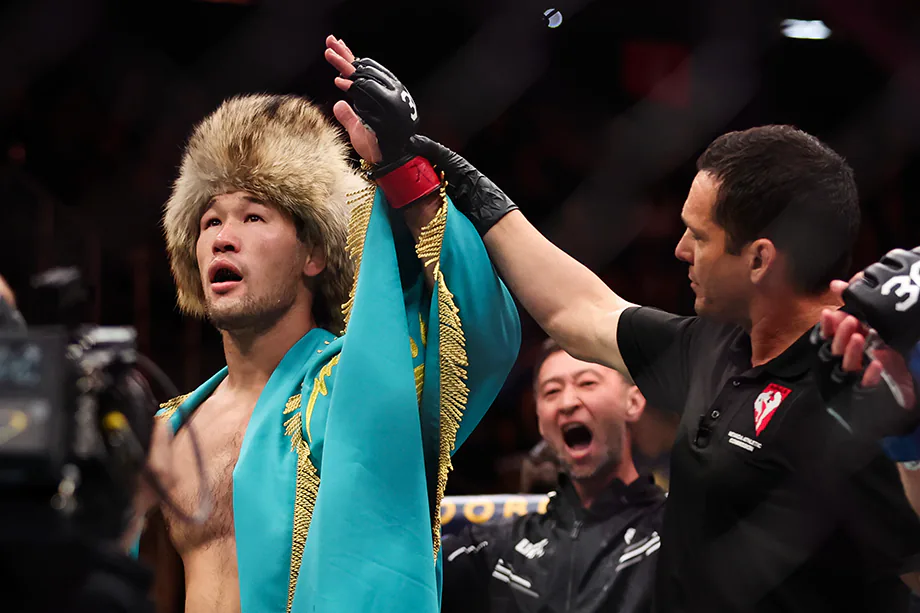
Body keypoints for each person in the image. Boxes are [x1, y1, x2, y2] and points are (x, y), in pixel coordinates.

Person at [326, 49, 920, 612]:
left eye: (700, 236)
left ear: (760, 259)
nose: (680, 250)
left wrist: (909, 440)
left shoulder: (854, 389)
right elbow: (577, 309)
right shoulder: (713, 350)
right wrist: (440, 174)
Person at [130, 87, 521, 613]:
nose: (223, 238)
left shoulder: (356, 390)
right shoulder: (166, 433)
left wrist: (405, 169)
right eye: (210, 221)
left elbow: (474, 331)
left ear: (313, 254)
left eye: (253, 217)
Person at [440, 339, 666, 613]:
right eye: (552, 391)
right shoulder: (499, 552)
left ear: (633, 401)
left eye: (587, 383)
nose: (567, 402)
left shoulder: (676, 533)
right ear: (539, 420)